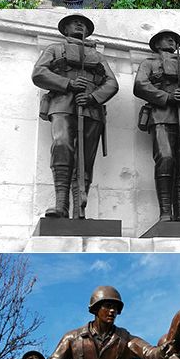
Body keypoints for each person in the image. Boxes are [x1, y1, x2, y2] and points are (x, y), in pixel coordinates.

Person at [31, 14, 118, 218]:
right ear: (65, 28)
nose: (80, 25)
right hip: (61, 103)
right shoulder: (54, 49)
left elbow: (112, 83)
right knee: (61, 145)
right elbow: (39, 73)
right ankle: (61, 205)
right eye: (74, 22)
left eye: (84, 24)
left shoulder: (97, 56)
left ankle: (80, 207)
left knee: (85, 159)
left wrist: (93, 97)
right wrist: (68, 84)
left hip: (91, 108)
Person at [133, 30, 180, 222]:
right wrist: (167, 97)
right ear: (157, 44)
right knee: (166, 159)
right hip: (161, 116)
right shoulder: (149, 63)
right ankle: (165, 213)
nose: (172, 41)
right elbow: (140, 85)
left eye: (175, 39)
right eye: (168, 38)